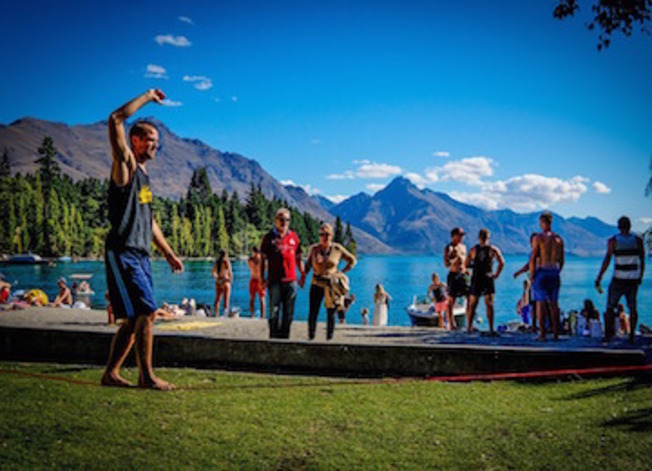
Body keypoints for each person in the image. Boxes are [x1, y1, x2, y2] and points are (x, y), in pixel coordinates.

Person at [101, 89, 184, 391]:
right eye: (150, 140)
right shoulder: (126, 166)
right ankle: (146, 376)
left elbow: (149, 220)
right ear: (134, 141)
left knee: (135, 318)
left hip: (141, 254)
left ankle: (111, 374)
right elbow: (115, 119)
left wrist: (169, 253)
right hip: (122, 251)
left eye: (157, 142)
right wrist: (148, 96)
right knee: (147, 313)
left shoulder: (145, 179)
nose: (155, 146)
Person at [301, 223, 357, 340]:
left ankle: (329, 338)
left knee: (331, 313)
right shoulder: (314, 249)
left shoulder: (337, 249)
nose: (324, 237)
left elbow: (352, 260)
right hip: (316, 283)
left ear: (331, 236)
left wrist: (341, 272)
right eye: (322, 234)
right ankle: (311, 337)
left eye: (327, 234)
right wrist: (302, 276)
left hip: (331, 285)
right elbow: (307, 266)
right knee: (313, 312)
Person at [596, 216, 645, 343]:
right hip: (633, 278)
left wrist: (599, 277)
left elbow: (607, 260)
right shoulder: (638, 240)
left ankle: (608, 335)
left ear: (618, 227)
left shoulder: (614, 241)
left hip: (619, 278)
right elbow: (642, 260)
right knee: (632, 307)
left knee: (610, 306)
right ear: (630, 226)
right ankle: (632, 335)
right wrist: (640, 276)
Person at [260, 208, 304, 339]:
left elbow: (298, 258)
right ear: (276, 220)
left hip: (291, 281)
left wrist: (302, 274)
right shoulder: (268, 238)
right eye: (281, 219)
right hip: (274, 281)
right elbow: (263, 259)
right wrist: (262, 278)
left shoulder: (294, 237)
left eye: (287, 220)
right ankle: (274, 339)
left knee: (289, 313)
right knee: (274, 312)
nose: (284, 222)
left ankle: (285, 339)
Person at [529, 211, 564, 341]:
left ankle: (542, 334)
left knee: (541, 304)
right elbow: (562, 260)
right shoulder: (559, 239)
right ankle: (556, 334)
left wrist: (532, 274)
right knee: (554, 304)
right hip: (554, 271)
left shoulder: (539, 238)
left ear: (543, 223)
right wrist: (557, 271)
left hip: (543, 271)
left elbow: (533, 258)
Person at [465, 229, 505, 335]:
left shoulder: (473, 250)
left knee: (473, 304)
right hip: (488, 276)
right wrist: (496, 274)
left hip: (477, 277)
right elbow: (502, 262)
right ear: (488, 237)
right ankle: (491, 329)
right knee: (489, 304)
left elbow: (466, 264)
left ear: (479, 237)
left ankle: (469, 327)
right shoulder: (493, 249)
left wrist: (472, 267)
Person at [513, 233, 541, 331]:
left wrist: (519, 272)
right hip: (533, 281)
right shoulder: (533, 253)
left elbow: (529, 266)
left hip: (538, 281)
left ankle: (539, 325)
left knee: (538, 303)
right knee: (532, 303)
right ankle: (534, 325)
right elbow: (528, 265)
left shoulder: (539, 253)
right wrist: (519, 272)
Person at [443, 227, 469, 330]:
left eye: (462, 235)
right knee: (451, 301)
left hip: (463, 275)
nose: (462, 237)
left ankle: (469, 324)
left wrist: (466, 269)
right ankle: (451, 324)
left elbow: (465, 261)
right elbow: (446, 264)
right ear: (453, 236)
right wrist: (454, 259)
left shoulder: (463, 247)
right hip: (454, 275)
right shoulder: (449, 248)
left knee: (469, 298)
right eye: (460, 235)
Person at [212, 249, 233, 317]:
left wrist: (217, 277)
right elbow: (230, 272)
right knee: (226, 300)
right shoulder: (226, 261)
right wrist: (230, 281)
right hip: (225, 281)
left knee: (217, 299)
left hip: (218, 281)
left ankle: (216, 314)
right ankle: (225, 315)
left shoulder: (217, 262)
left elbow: (212, 271)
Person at [247, 246, 266, 318]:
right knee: (253, 298)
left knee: (261, 298)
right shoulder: (251, 260)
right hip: (254, 279)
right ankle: (253, 315)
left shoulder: (261, 261)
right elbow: (251, 263)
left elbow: (267, 269)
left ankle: (262, 316)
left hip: (259, 280)